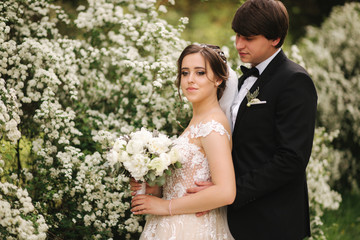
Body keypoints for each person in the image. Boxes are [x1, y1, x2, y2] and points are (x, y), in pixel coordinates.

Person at [187, 0, 318, 239]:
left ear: (275, 38)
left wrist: (233, 190)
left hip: (272, 221)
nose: (238, 44)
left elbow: (291, 159)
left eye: (248, 38)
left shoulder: (295, 81)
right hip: (233, 217)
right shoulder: (240, 79)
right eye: (237, 35)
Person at [130, 44, 237, 239]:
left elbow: (226, 192)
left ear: (219, 79)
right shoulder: (197, 121)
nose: (190, 80)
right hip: (171, 225)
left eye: (200, 73)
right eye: (185, 73)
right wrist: (155, 186)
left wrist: (165, 206)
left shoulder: (212, 125)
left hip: (192, 228)